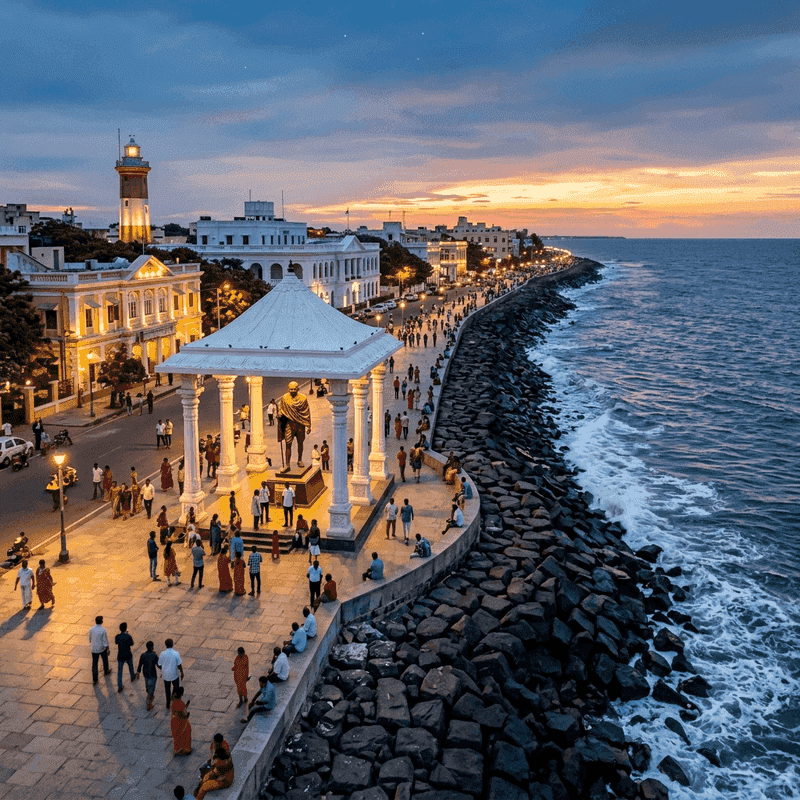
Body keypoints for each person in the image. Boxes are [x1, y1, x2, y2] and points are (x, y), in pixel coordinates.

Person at [276, 380, 312, 470]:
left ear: (297, 389)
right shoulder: (285, 398)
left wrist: (308, 425)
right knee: (288, 444)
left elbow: (306, 412)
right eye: (290, 389)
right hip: (289, 424)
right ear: (288, 389)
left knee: (300, 443)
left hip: (300, 424)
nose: (292, 391)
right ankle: (287, 464)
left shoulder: (303, 398)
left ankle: (299, 460)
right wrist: (279, 414)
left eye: (294, 389)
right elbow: (281, 409)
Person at [158, 638, 184, 709]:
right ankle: (174, 699)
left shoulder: (162, 654)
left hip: (166, 675)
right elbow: (179, 665)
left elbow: (159, 664)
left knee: (167, 689)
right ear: (172, 644)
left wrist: (164, 669)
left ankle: (168, 702)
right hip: (174, 674)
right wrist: (182, 672)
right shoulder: (176, 653)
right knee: (176, 688)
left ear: (165, 645)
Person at [135, 640, 159, 711]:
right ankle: (149, 703)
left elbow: (140, 665)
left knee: (148, 686)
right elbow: (158, 665)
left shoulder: (143, 655)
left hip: (145, 674)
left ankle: (149, 695)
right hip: (152, 674)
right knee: (152, 688)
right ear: (152, 647)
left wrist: (138, 672)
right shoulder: (154, 655)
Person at [170, 686, 192, 755]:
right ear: (181, 694)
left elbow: (181, 710)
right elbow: (181, 715)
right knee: (184, 734)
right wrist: (187, 716)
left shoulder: (174, 701)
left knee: (177, 735)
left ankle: (177, 748)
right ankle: (183, 749)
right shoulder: (180, 703)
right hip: (179, 722)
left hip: (174, 721)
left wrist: (186, 705)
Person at [89, 615, 111, 684]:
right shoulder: (103, 630)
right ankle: (106, 670)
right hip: (101, 648)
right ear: (102, 621)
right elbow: (105, 641)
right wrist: (107, 648)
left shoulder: (91, 629)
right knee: (105, 660)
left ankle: (95, 679)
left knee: (94, 664)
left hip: (94, 649)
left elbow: (90, 639)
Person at [115, 622, 136, 693]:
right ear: (126, 628)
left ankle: (120, 686)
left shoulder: (117, 636)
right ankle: (132, 677)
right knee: (131, 666)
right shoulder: (128, 636)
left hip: (120, 655)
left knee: (120, 671)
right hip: (128, 654)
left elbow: (116, 642)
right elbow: (132, 643)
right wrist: (127, 634)